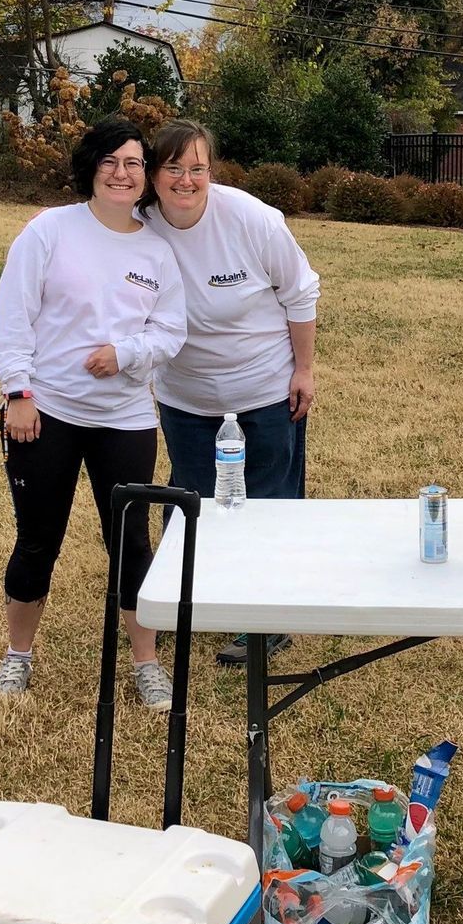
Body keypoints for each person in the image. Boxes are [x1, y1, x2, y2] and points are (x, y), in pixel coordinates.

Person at [0, 116, 187, 709]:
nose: (122, 174)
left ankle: (146, 662)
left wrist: (126, 353)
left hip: (124, 418)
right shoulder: (49, 231)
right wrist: (18, 392)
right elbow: (13, 315)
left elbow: (171, 330)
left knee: (131, 542)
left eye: (132, 164)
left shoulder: (156, 249)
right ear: (90, 169)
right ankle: (17, 656)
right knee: (36, 540)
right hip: (46, 412)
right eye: (110, 161)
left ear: (144, 176)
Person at [139, 119, 319, 667]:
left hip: (264, 387)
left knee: (267, 499)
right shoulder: (139, 224)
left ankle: (266, 619)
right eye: (174, 168)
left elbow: (300, 290)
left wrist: (304, 370)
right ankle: (180, 602)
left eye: (198, 168)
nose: (187, 180)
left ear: (210, 172)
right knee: (190, 499)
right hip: (185, 395)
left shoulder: (251, 218)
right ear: (154, 174)